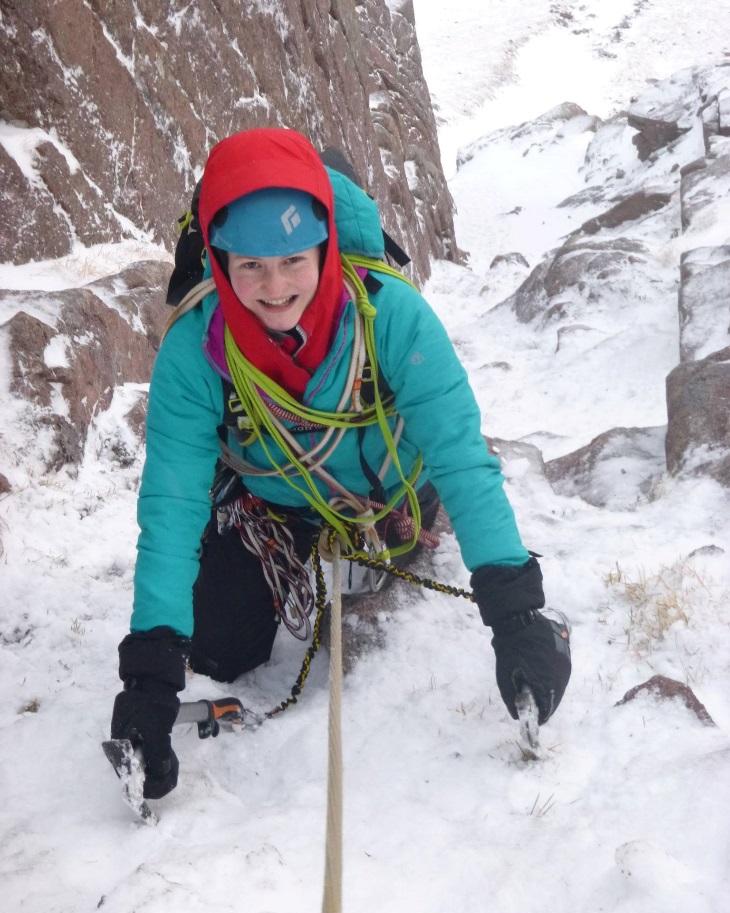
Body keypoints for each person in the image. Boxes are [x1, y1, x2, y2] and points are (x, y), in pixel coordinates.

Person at [110, 128, 571, 799]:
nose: (274, 289)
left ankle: (391, 539)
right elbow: (172, 507)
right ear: (220, 258)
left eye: (293, 260)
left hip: (390, 499)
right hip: (271, 509)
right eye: (250, 266)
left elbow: (461, 460)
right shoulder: (195, 350)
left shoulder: (393, 319)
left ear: (326, 247)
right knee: (216, 650)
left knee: (393, 540)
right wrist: (150, 673)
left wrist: (517, 615)